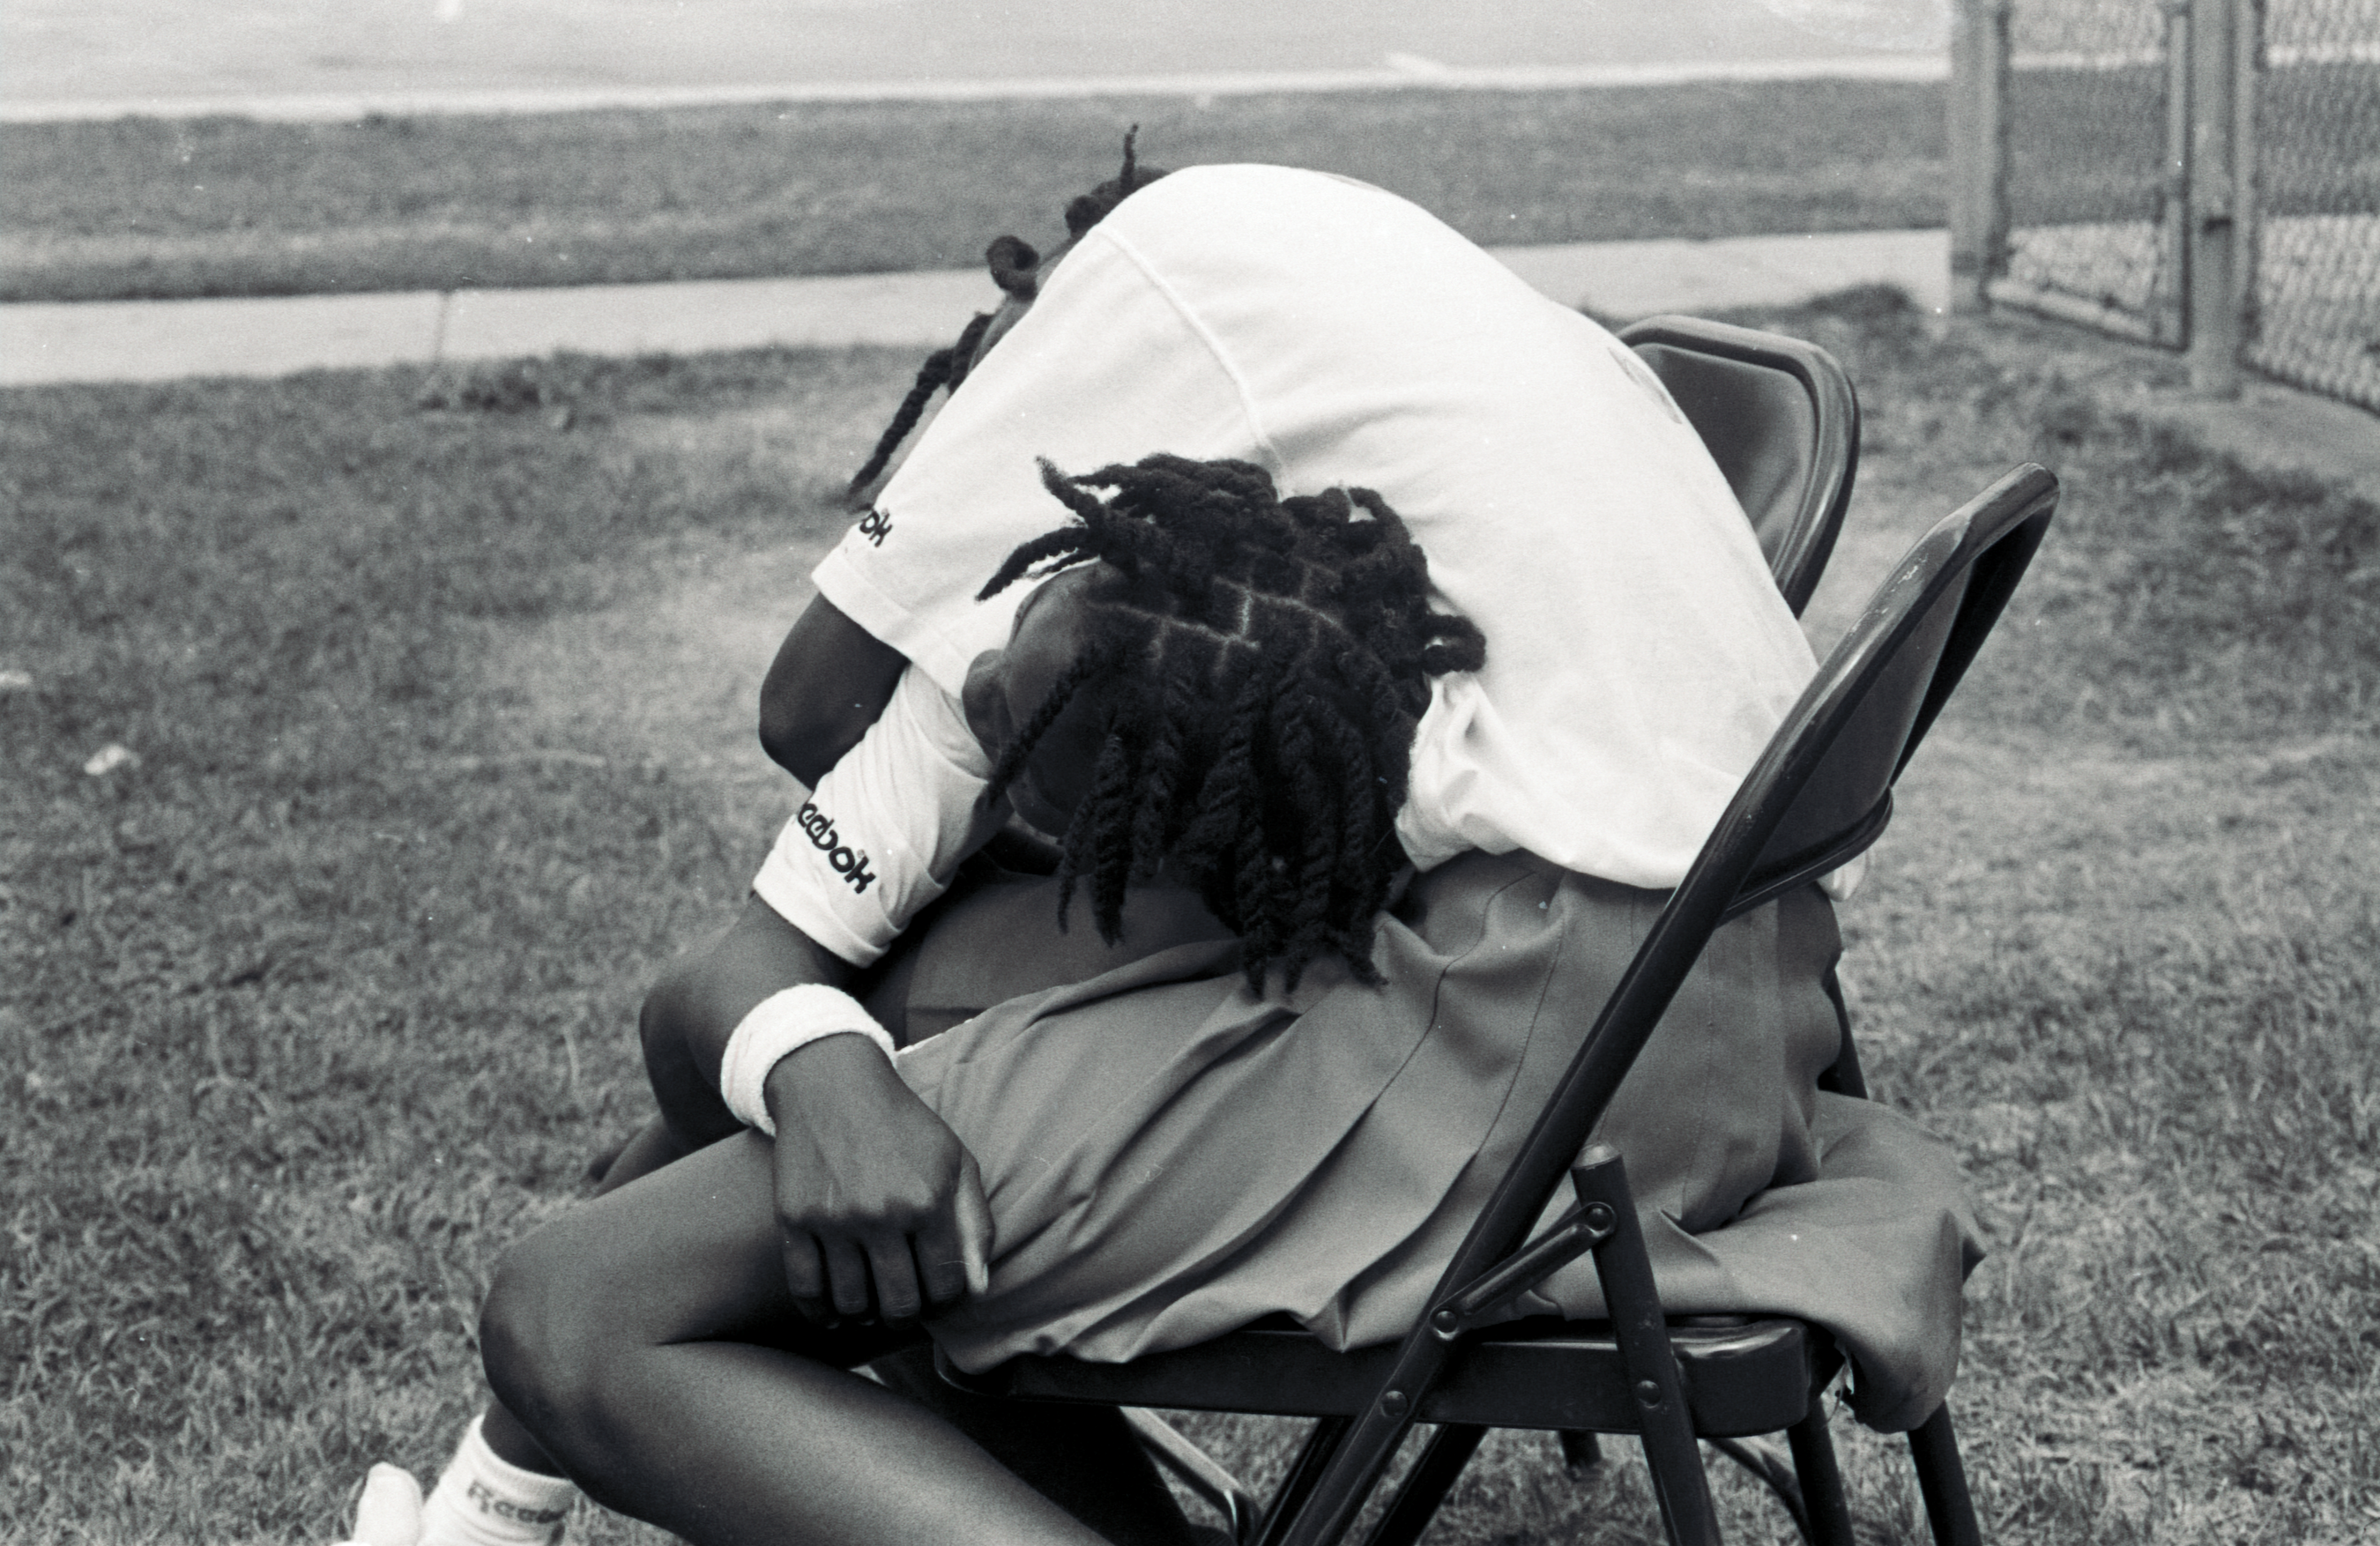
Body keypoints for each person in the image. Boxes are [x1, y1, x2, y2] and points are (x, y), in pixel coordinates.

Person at [381, 146, 1951, 1546]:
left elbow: (806, 703)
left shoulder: (1158, 291)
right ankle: (488, 1506)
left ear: (1059, 314)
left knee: (576, 1305)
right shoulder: (1335, 365)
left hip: (1529, 1040)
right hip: (1737, 993)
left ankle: (489, 1495)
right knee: (843, 1133)